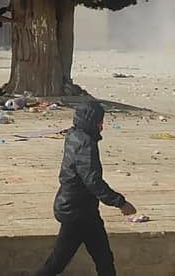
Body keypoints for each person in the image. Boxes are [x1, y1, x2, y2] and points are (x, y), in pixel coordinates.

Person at [36, 102, 136, 276]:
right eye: (99, 122)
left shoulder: (74, 134)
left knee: (103, 259)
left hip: (82, 209)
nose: (101, 126)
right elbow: (92, 181)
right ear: (91, 121)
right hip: (77, 212)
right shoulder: (86, 144)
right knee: (57, 263)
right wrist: (120, 202)